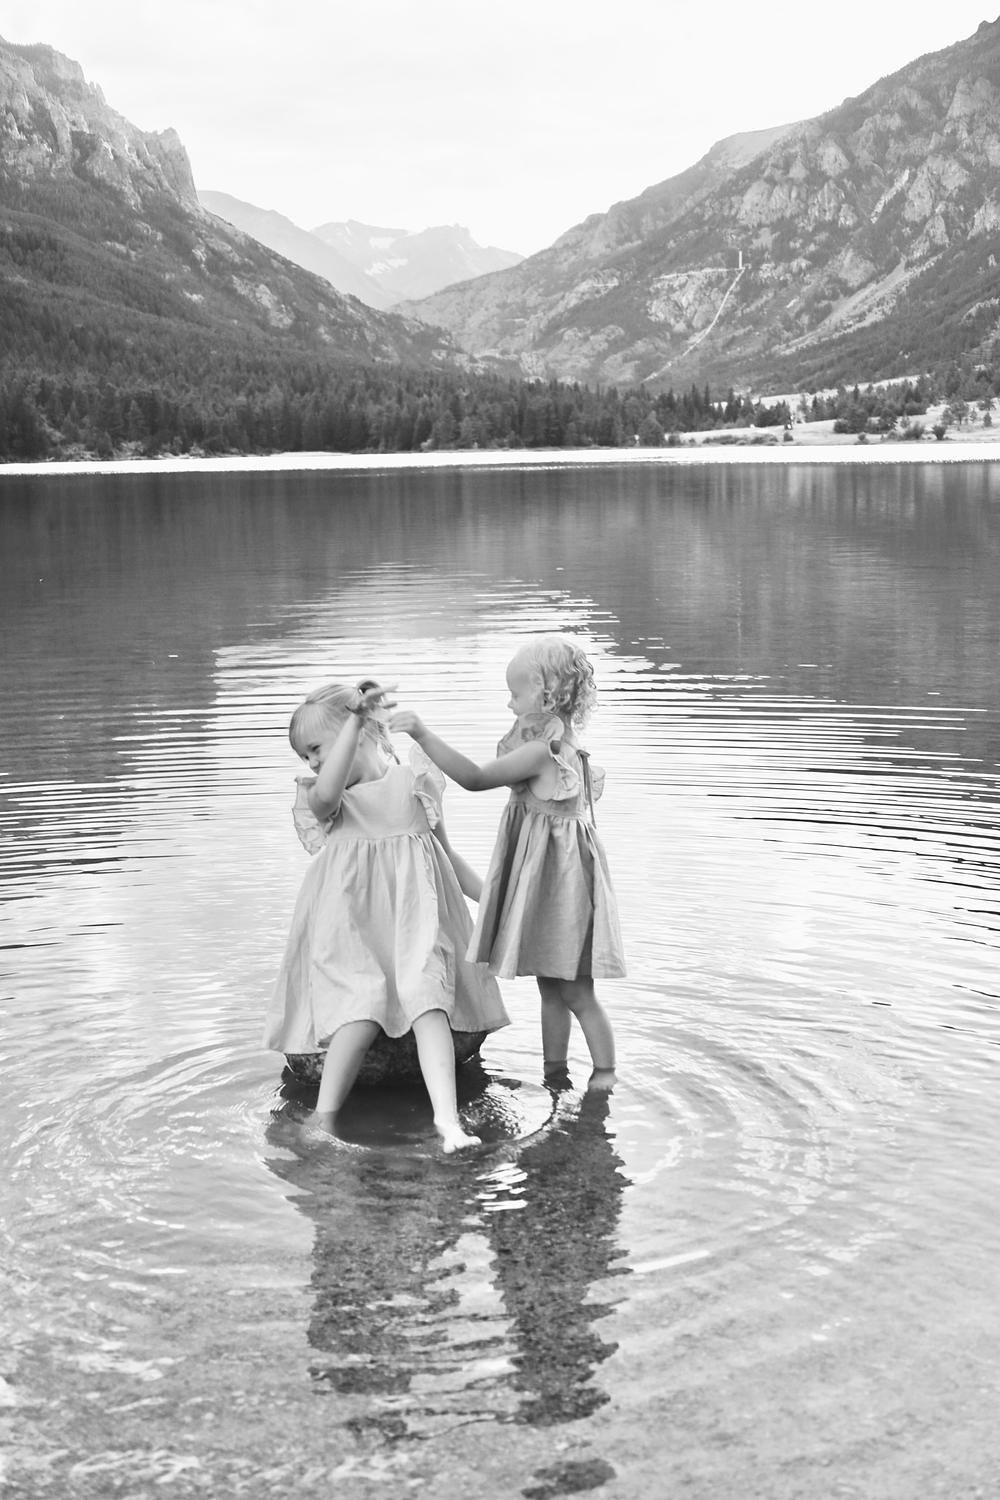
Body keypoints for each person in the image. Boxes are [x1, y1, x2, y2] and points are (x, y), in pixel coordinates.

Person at [263, 679, 509, 1152]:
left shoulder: (415, 782)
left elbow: (448, 858)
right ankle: (324, 1115)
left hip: (414, 925)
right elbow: (325, 794)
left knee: (429, 1001)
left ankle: (447, 1122)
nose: (310, 762)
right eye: (304, 755)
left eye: (315, 749)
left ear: (362, 734)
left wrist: (498, 903)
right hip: (352, 933)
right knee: (360, 1007)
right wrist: (354, 722)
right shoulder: (326, 798)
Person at [391, 636, 623, 1091]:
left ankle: (605, 1074)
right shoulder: (567, 749)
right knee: (552, 990)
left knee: (577, 992)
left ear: (546, 695)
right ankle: (555, 1074)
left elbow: (476, 778)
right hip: (559, 892)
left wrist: (422, 734)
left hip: (564, 897)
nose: (510, 703)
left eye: (515, 694)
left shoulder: (541, 753)